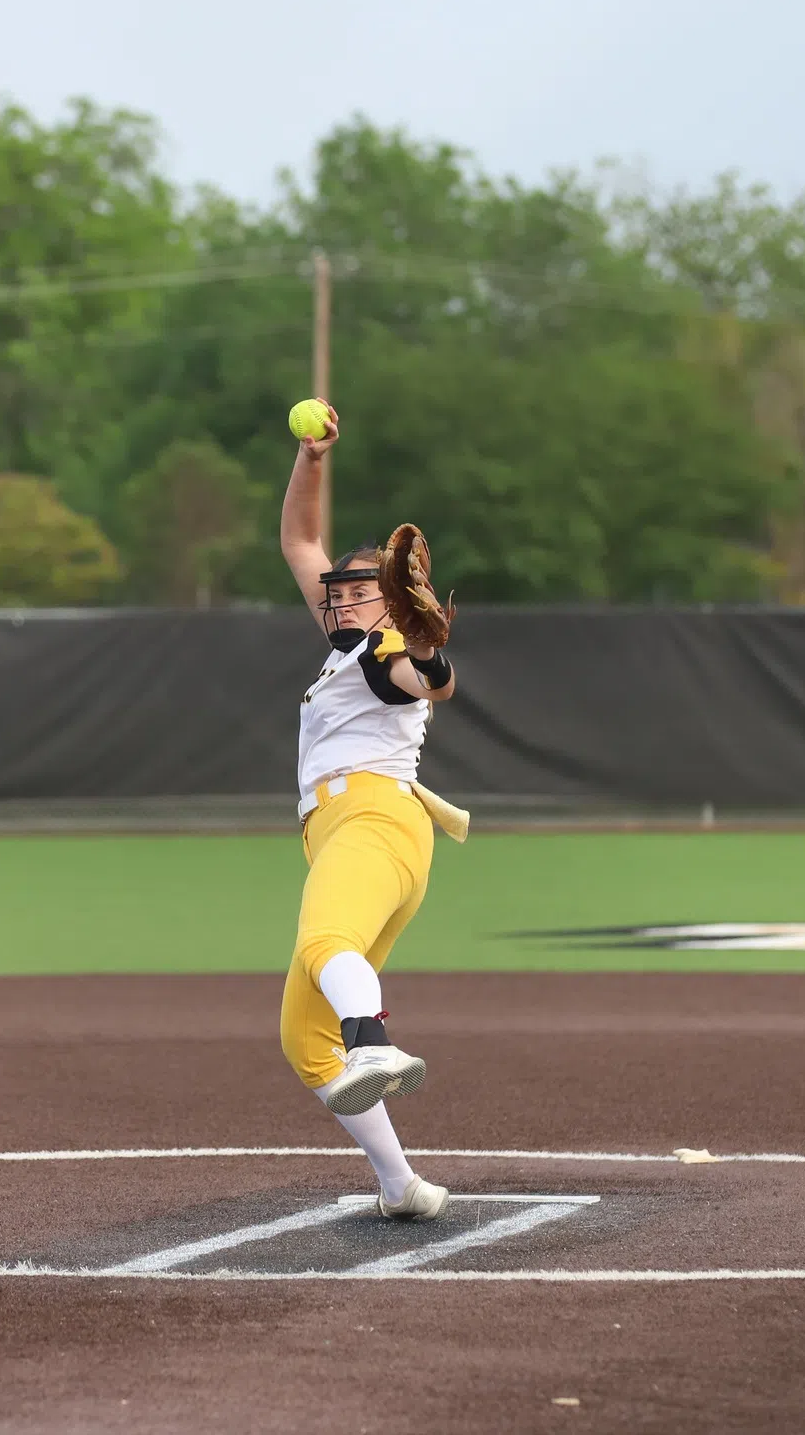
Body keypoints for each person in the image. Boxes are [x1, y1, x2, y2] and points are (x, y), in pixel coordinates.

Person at [277, 406, 458, 1221]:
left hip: (375, 821)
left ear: (392, 604)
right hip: (354, 836)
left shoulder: (385, 651)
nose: (340, 597)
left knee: (325, 945)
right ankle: (401, 1186)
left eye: (359, 590)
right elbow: (298, 543)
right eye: (339, 590)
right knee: (301, 1040)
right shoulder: (345, 646)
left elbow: (431, 685)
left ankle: (374, 1037)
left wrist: (426, 652)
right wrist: (310, 460)